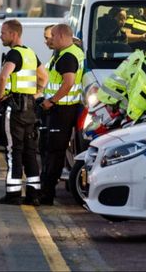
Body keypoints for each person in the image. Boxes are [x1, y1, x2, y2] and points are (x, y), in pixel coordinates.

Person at [0, 18, 48, 205]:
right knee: (30, 152)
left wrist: (0, 97)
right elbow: (44, 75)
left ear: (13, 34)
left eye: (3, 33)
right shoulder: (30, 54)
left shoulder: (14, 54)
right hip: (30, 109)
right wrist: (37, 93)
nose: (0, 36)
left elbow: (3, 76)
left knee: (14, 151)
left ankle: (13, 194)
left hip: (16, 108)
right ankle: (34, 194)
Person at [39, 23, 83, 204]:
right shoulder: (74, 52)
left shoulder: (67, 56)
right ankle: (47, 190)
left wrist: (51, 101)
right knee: (54, 152)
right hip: (67, 108)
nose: (51, 39)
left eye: (54, 36)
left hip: (62, 110)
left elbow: (68, 82)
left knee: (54, 152)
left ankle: (47, 195)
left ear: (63, 36)